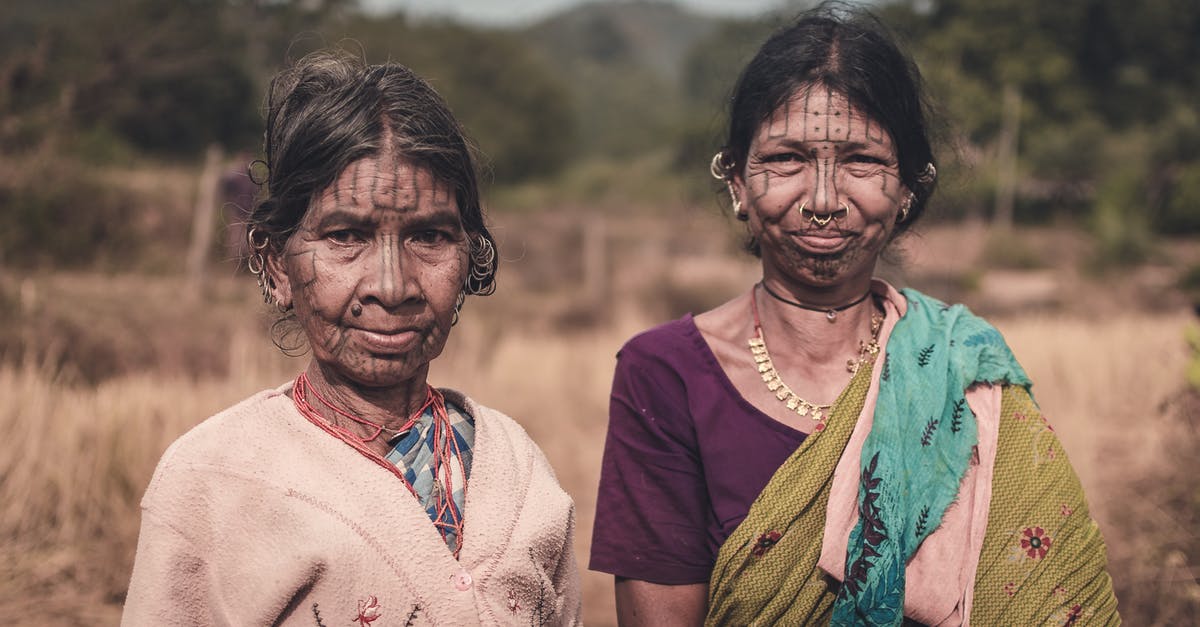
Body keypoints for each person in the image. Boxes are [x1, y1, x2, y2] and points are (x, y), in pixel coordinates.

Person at [589, 6, 1118, 626]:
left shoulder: (964, 367)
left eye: (861, 162)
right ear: (736, 179)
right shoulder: (666, 373)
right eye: (785, 158)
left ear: (908, 189)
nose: (821, 200)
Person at [123, 51, 581, 626]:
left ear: (469, 255)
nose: (392, 287)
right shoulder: (212, 483)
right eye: (345, 235)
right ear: (277, 266)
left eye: (431, 236)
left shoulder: (518, 470)